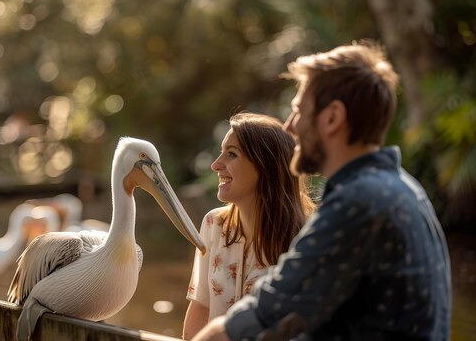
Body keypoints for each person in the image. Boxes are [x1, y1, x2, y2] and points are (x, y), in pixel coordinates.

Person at [191, 42, 452, 341]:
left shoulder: (358, 201)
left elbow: (267, 310)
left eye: (299, 111)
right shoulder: (404, 189)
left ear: (332, 118)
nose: (290, 127)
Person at [183, 112, 315, 340]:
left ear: (266, 166)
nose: (216, 165)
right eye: (221, 153)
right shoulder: (213, 224)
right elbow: (200, 307)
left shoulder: (307, 235)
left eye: (231, 154)